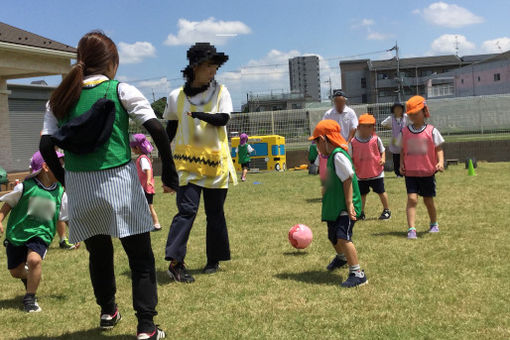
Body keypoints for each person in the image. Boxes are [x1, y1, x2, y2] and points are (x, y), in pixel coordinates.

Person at [40, 31, 178, 340]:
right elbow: (155, 127)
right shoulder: (120, 90)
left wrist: (67, 181)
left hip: (81, 189)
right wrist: (168, 170)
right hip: (119, 185)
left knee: (98, 254)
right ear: (112, 63)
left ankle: (108, 310)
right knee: (140, 257)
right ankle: (146, 327)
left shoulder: (60, 98)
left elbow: (47, 147)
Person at [163, 42, 237, 283]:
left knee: (215, 213)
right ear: (195, 67)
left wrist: (198, 115)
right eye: (208, 66)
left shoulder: (221, 92)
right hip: (186, 164)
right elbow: (171, 128)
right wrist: (164, 160)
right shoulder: (176, 96)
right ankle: (175, 262)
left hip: (216, 164)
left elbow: (222, 119)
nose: (213, 71)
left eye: (215, 67)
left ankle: (213, 259)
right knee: (187, 211)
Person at [0, 151, 67, 312]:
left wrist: (75, 233)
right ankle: (29, 276)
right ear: (45, 167)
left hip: (41, 233)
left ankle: (30, 298)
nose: (62, 168)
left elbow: (63, 215)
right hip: (18, 233)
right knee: (15, 272)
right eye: (58, 165)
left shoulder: (59, 191)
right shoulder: (24, 187)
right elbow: (8, 203)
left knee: (34, 260)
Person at [309, 120, 367, 288]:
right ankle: (342, 258)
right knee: (333, 236)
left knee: (343, 237)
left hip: (345, 206)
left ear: (325, 139)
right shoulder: (329, 156)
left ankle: (357, 273)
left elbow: (348, 178)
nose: (316, 146)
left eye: (317, 141)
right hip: (334, 205)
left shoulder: (338, 155)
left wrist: (349, 204)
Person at [399, 96, 444, 240]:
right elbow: (402, 149)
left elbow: (438, 148)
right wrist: (401, 164)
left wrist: (440, 162)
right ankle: (411, 229)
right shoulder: (404, 132)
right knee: (412, 199)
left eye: (415, 113)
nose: (413, 116)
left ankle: (433, 223)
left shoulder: (431, 131)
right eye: (410, 114)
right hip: (411, 173)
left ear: (424, 111)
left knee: (428, 200)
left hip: (427, 173)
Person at [349, 114, 391, 220]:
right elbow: (350, 156)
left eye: (370, 126)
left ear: (373, 128)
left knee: (381, 191)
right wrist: (352, 166)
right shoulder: (353, 142)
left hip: (376, 172)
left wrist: (383, 159)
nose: (367, 129)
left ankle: (386, 210)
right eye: (364, 126)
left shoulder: (376, 139)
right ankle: (361, 212)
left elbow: (382, 150)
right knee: (362, 194)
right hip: (361, 173)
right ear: (358, 127)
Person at [131, 134, 161, 231]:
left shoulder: (142, 158)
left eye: (132, 148)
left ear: (137, 148)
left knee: (148, 207)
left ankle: (155, 224)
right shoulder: (143, 157)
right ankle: (154, 224)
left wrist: (148, 180)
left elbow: (147, 170)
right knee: (147, 207)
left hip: (146, 188)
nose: (132, 150)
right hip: (145, 187)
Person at [381, 103, 408, 177]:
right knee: (396, 157)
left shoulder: (405, 117)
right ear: (393, 110)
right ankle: (398, 173)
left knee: (405, 156)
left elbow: (412, 122)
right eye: (396, 109)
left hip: (404, 139)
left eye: (399, 109)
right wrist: (391, 127)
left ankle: (405, 172)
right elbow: (382, 124)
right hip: (395, 139)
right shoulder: (391, 118)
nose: (398, 110)